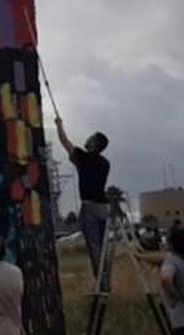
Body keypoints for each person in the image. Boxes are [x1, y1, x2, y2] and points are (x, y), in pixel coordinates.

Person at [55, 118, 110, 276]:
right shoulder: (105, 163)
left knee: (94, 245)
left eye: (91, 138)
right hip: (103, 206)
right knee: (103, 244)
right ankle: (105, 275)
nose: (87, 139)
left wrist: (59, 125)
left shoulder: (83, 157)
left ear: (94, 144)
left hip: (90, 206)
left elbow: (65, 141)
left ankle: (100, 279)